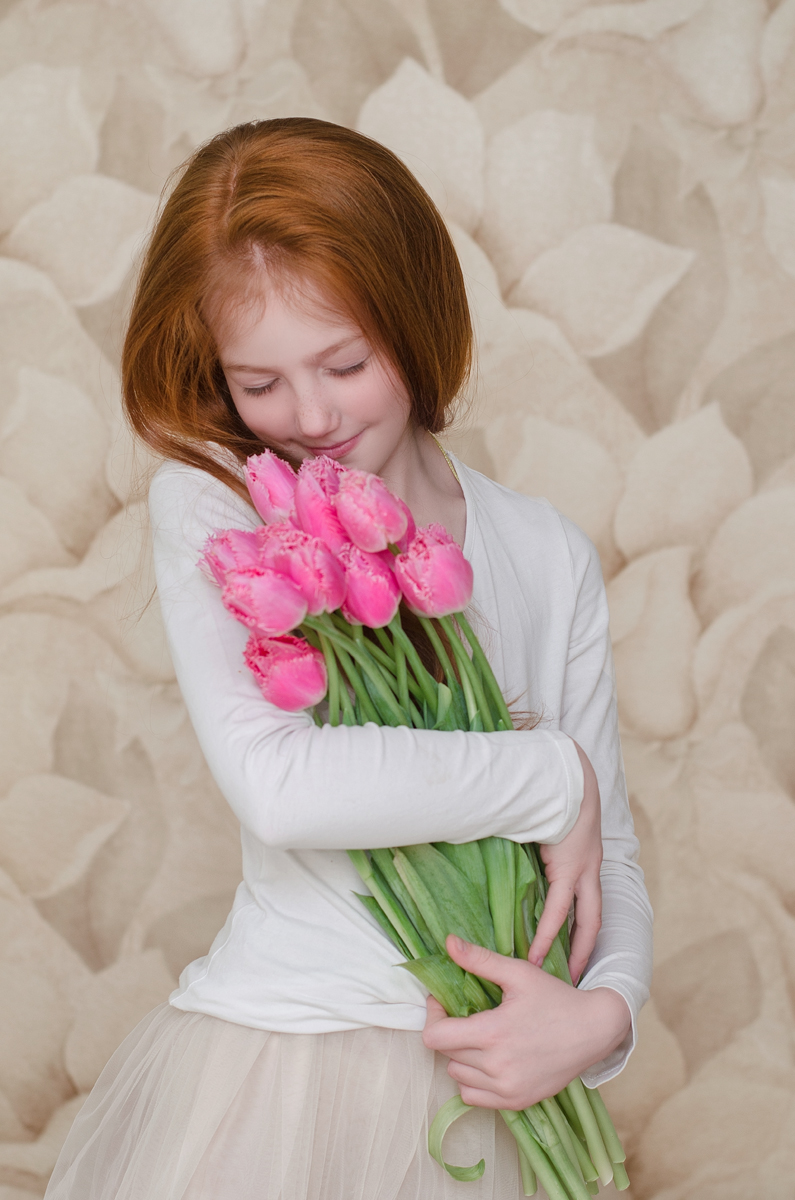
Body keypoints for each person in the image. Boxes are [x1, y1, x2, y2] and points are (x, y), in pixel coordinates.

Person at [45, 117, 652, 1200]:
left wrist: (599, 1023)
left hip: (486, 1090)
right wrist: (551, 776)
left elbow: (609, 863)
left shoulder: (542, 551)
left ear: (414, 322)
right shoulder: (226, 510)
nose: (311, 419)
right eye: (258, 383)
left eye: (346, 363)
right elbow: (279, 785)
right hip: (274, 1072)